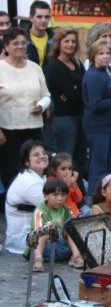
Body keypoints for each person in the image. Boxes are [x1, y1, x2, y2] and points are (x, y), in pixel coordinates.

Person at [0, 27, 51, 191]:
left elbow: (47, 95)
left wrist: (42, 105)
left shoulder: (35, 67)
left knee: (37, 168)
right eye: (15, 43)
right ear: (6, 46)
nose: (20, 46)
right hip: (8, 131)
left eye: (23, 43)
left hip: (34, 128)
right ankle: (14, 207)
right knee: (11, 170)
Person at [83, 40, 111, 200]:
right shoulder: (94, 75)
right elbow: (96, 104)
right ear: (93, 56)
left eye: (108, 53)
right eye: (101, 54)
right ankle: (93, 201)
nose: (105, 57)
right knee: (99, 166)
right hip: (98, 127)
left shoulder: (108, 71)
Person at [45, 28, 86, 183]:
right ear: (59, 43)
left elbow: (82, 90)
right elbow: (72, 95)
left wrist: (76, 89)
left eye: (73, 41)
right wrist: (75, 89)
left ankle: (78, 196)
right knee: (65, 161)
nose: (70, 44)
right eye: (66, 41)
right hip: (65, 119)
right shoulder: (55, 66)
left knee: (79, 160)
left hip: (80, 116)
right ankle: (62, 192)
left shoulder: (77, 62)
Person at [28, 179, 84, 272]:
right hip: (45, 249)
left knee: (71, 228)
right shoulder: (40, 210)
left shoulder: (65, 209)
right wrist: (54, 223)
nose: (60, 198)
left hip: (62, 247)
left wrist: (75, 220)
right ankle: (37, 260)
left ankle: (76, 256)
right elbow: (37, 231)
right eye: (55, 195)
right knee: (45, 231)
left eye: (63, 195)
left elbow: (74, 224)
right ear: (46, 196)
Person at [4, 140, 48, 255]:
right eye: (36, 155)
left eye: (44, 153)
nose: (42, 156)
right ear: (27, 162)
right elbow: (55, 208)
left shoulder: (38, 176)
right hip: (27, 244)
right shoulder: (30, 183)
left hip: (37, 235)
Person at [48, 152, 85, 218]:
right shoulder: (51, 181)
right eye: (63, 169)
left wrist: (73, 185)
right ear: (54, 170)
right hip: (60, 216)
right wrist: (67, 185)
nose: (67, 172)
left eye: (70, 169)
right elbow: (57, 200)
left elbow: (78, 199)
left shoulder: (71, 181)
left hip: (75, 214)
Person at [26, 1, 54, 68]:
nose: (43, 20)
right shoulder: (22, 40)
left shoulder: (55, 40)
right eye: (39, 17)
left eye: (46, 17)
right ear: (31, 18)